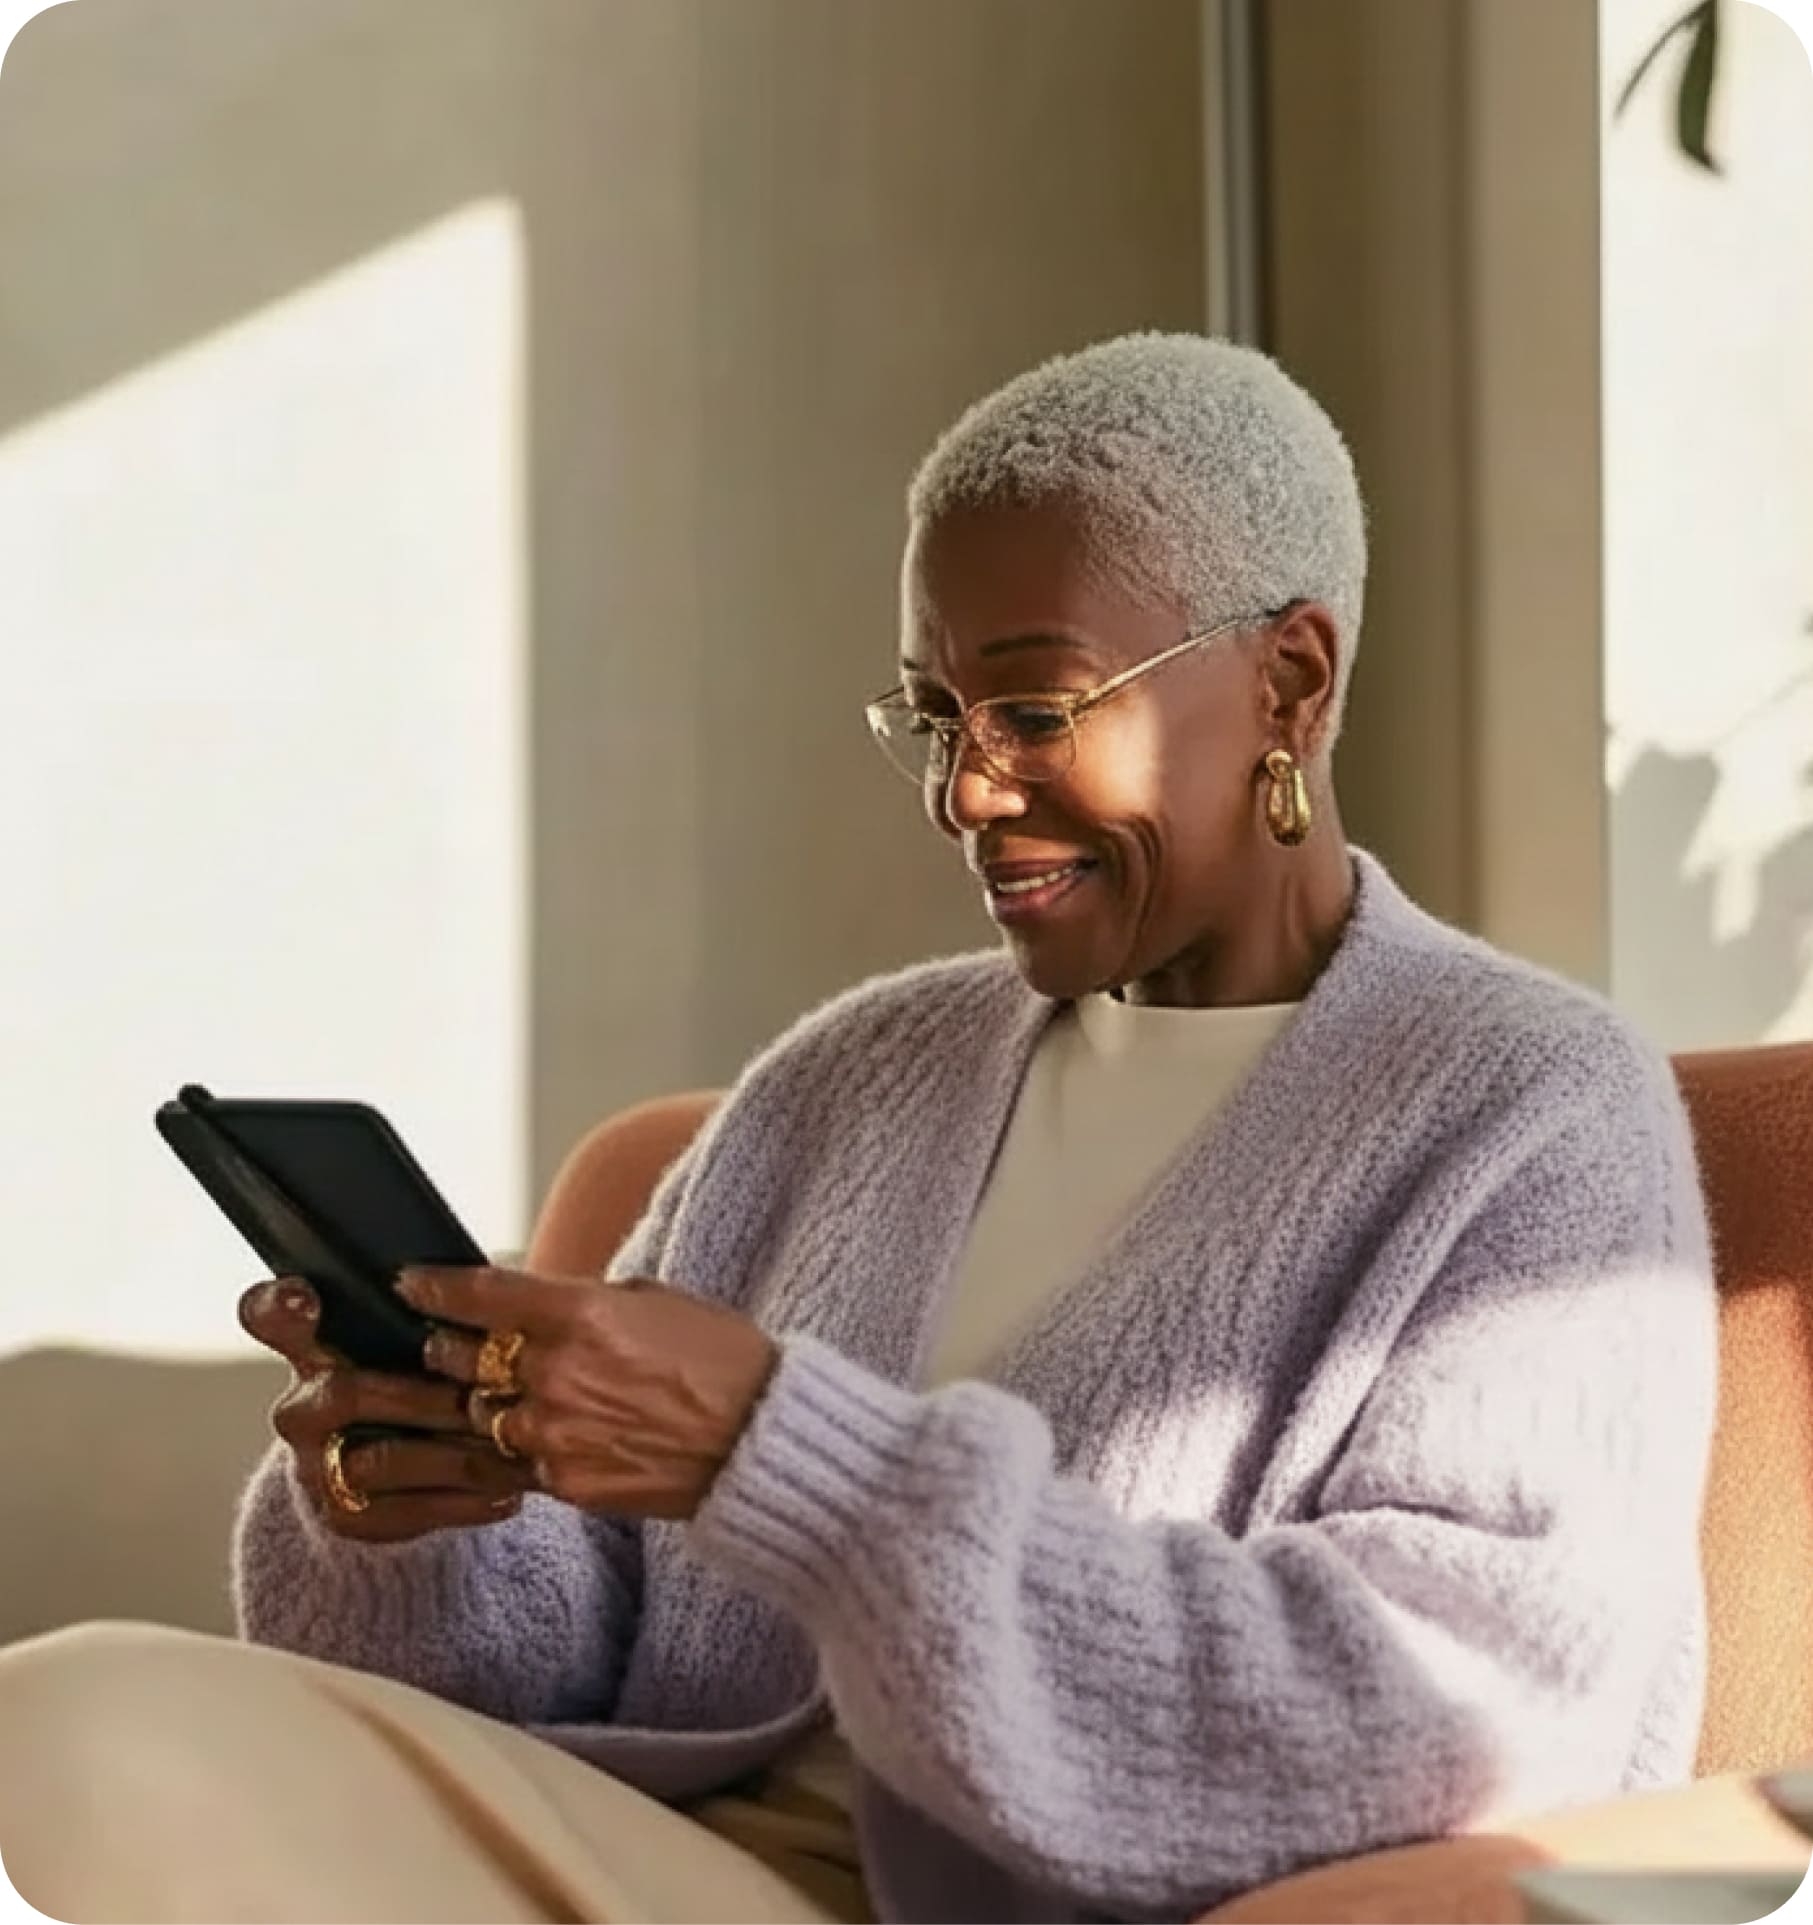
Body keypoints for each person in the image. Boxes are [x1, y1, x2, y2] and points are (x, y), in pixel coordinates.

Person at [0, 334, 1718, 1925]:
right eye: (935, 716)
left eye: (1035, 710)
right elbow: (567, 1645)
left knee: (84, 1735)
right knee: (65, 1721)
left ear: (1285, 681)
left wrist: (790, 1457)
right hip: (630, 1850)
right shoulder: (848, 1079)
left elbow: (1458, 1719)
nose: (965, 791)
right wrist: (438, 1516)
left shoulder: (1529, 1111)